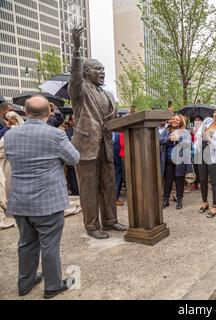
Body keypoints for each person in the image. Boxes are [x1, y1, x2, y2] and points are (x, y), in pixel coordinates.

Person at [4, 95, 80, 299]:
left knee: (26, 243)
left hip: (20, 199)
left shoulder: (10, 135)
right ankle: (53, 286)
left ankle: (25, 283)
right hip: (48, 200)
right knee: (49, 244)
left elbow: (11, 159)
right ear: (48, 113)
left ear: (26, 112)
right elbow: (74, 159)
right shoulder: (56, 135)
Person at [69, 27, 127, 239]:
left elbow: (112, 120)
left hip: (106, 145)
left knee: (108, 184)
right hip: (86, 146)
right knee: (89, 189)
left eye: (103, 69)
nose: (102, 73)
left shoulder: (108, 94)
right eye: (97, 69)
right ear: (86, 73)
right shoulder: (80, 90)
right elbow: (74, 77)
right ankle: (92, 226)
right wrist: (76, 51)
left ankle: (110, 221)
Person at [194, 107, 216, 218]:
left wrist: (209, 138)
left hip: (214, 156)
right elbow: (198, 134)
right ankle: (205, 202)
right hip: (202, 152)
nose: (215, 114)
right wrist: (201, 136)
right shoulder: (207, 121)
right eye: (215, 112)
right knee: (203, 179)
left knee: (214, 182)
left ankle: (214, 206)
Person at [160, 114, 192, 210]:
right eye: (173, 119)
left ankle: (179, 200)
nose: (174, 121)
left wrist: (180, 138)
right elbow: (159, 140)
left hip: (179, 161)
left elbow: (188, 144)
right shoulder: (166, 131)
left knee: (179, 181)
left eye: (177, 120)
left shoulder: (185, 132)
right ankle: (165, 200)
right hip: (168, 160)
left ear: (181, 122)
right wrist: (168, 139)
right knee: (168, 181)